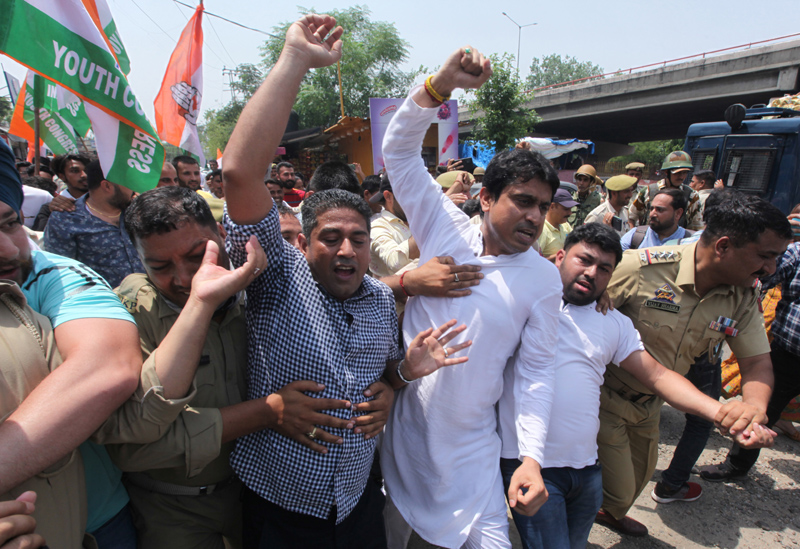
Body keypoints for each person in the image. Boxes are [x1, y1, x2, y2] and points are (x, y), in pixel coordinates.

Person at [220, 15, 468, 547]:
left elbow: (377, 377)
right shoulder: (276, 281)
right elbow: (240, 171)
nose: (347, 249)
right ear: (304, 243)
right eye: (330, 237)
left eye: (358, 238)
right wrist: (295, 61)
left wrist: (396, 381)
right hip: (281, 501)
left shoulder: (380, 299)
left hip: (356, 499)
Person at [381, 45, 562, 549]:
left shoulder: (543, 281)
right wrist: (439, 86)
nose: (533, 217)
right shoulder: (443, 228)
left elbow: (536, 374)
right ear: (485, 199)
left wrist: (531, 457)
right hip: (406, 448)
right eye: (522, 201)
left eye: (543, 207)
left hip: (474, 458)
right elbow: (397, 152)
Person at [498, 223, 775, 549]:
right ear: (559, 257)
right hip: (532, 465)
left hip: (587, 470)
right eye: (582, 261)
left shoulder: (613, 322)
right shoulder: (523, 305)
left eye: (604, 269)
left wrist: (724, 413)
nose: (591, 273)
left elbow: (657, 376)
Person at [595, 190, 790, 537]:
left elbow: (757, 361)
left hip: (650, 406)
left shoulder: (742, 295)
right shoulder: (640, 269)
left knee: (638, 479)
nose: (772, 268)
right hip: (600, 400)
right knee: (615, 487)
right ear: (724, 246)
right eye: (765, 256)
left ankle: (606, 510)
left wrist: (753, 410)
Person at [0, 140, 142, 546]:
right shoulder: (67, 220)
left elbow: (107, 369)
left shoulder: (53, 274)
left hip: (94, 522)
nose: (10, 248)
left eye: (11, 223)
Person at [699, 238, 800, 483]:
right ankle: (736, 465)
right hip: (789, 356)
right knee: (763, 408)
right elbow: (755, 280)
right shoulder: (796, 253)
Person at [43, 159, 144, 287]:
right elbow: (61, 271)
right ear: (107, 186)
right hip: (104, 302)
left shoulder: (137, 210)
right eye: (128, 184)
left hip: (148, 299)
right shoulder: (67, 219)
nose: (133, 189)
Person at [628, 151, 702, 230]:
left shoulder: (692, 196)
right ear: (666, 172)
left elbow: (697, 227)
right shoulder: (648, 191)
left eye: (685, 173)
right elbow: (631, 216)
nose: (681, 177)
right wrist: (633, 235)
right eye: (677, 173)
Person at [368, 174, 419, 278]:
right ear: (388, 197)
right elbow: (396, 262)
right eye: (412, 195)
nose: (418, 201)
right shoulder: (376, 227)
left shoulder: (416, 220)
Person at [31, 154, 90, 231]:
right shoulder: (50, 209)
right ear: (61, 176)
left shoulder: (106, 203)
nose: (84, 175)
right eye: (75, 171)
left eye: (87, 170)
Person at [620, 188, 688, 251]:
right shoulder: (634, 236)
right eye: (651, 209)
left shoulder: (691, 242)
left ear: (678, 213)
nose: (652, 214)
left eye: (660, 210)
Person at [538, 188, 577, 260]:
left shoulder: (565, 226)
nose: (570, 213)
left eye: (571, 209)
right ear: (552, 206)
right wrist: (561, 255)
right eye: (566, 209)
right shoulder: (542, 230)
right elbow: (535, 262)